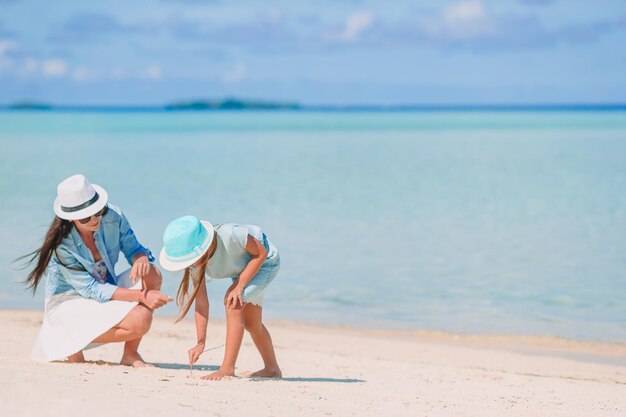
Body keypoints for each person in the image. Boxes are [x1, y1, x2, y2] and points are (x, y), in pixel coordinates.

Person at [20, 174, 172, 367]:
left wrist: (140, 258)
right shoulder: (63, 245)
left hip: (106, 288)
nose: (95, 219)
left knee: (151, 272)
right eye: (86, 217)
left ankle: (130, 354)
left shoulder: (113, 216)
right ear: (72, 218)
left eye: (98, 211)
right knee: (141, 321)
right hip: (72, 301)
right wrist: (143, 296)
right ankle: (70, 337)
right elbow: (91, 289)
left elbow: (134, 248)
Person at [160, 215, 281, 380]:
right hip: (242, 270)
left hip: (264, 262)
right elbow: (201, 302)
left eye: (192, 259)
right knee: (253, 324)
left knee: (232, 301)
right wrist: (201, 342)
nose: (192, 264)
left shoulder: (232, 235)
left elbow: (261, 253)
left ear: (206, 245)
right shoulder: (195, 265)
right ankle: (272, 369)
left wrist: (239, 285)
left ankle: (227, 369)